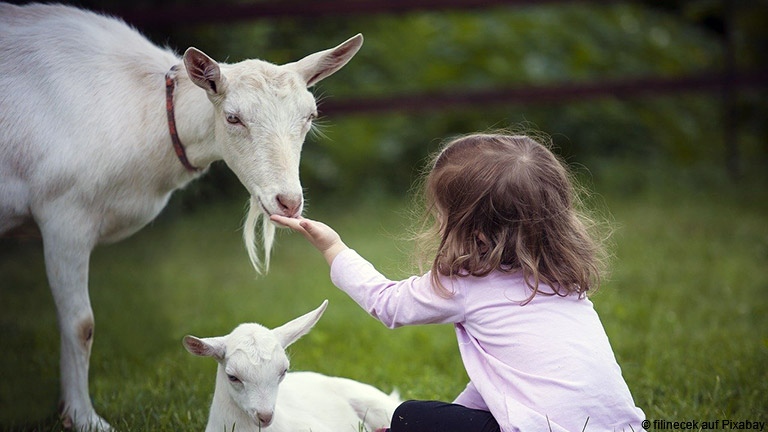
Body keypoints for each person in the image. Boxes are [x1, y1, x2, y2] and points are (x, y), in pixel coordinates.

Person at [271, 133, 645, 432]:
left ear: (477, 235)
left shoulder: (467, 284)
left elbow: (386, 302)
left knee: (409, 417)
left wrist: (333, 246)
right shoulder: (564, 284)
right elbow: (503, 382)